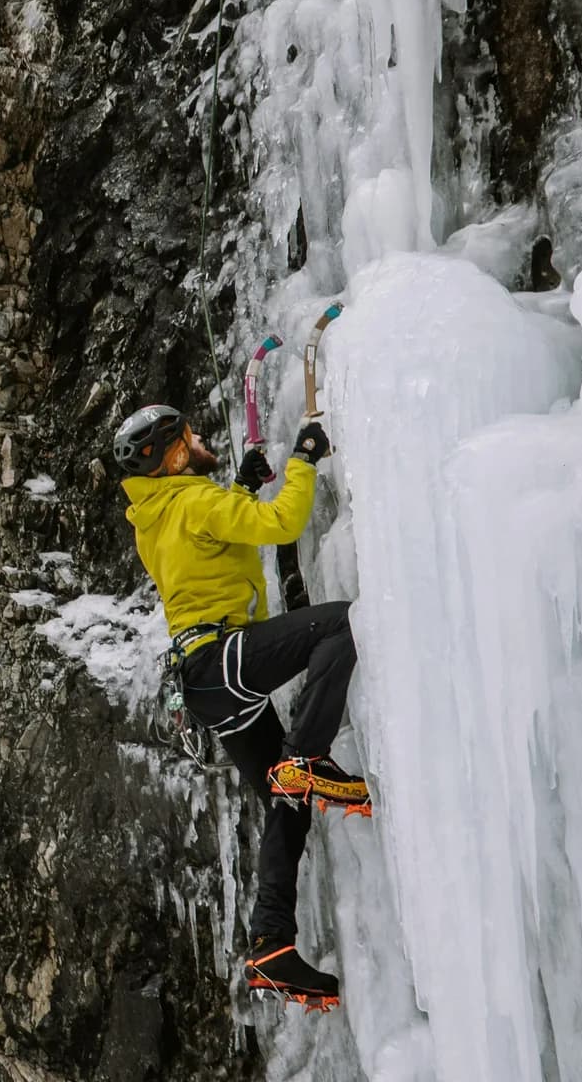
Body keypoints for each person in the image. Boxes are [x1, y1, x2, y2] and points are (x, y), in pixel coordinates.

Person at [113, 402, 368, 1007]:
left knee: (288, 801)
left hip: (204, 686)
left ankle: (271, 946)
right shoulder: (193, 502)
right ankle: (309, 756)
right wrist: (303, 460)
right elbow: (281, 524)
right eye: (188, 438)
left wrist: (239, 487)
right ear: (173, 455)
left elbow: (208, 546)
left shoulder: (155, 518)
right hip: (218, 658)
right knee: (345, 625)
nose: (199, 439)